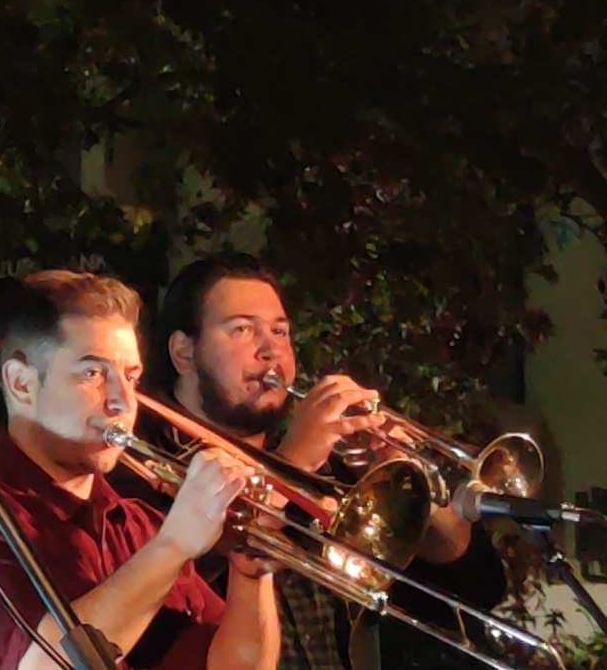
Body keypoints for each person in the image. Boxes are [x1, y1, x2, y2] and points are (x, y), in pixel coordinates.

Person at [125, 254, 509, 670]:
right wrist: (291, 465)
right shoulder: (136, 463)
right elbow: (165, 597)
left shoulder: (333, 464)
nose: (270, 350)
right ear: (184, 352)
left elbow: (478, 589)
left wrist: (413, 491)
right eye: (242, 329)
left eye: (280, 331)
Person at [0, 270, 280, 670]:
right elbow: (43, 665)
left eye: (131, 376)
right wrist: (174, 545)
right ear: (21, 384)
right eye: (93, 373)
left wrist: (250, 572)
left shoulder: (138, 526)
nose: (123, 401)